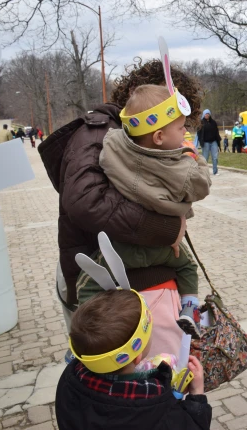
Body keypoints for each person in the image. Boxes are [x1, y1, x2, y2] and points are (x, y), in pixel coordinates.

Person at [39, 59, 204, 357]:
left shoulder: (130, 137)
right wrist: (166, 228)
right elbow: (85, 202)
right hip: (93, 276)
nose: (183, 130)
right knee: (102, 366)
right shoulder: (100, 132)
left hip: (125, 277)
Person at [99, 84, 212, 337]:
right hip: (163, 247)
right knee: (187, 267)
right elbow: (202, 186)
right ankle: (190, 310)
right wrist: (194, 155)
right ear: (159, 137)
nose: (185, 132)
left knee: (92, 277)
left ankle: (85, 323)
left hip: (122, 247)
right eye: (181, 128)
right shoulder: (182, 171)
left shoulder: (112, 146)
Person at [56, 289, 211, 429]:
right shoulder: (155, 406)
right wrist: (196, 395)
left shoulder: (69, 380)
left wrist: (172, 395)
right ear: (137, 357)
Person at [196, 109, 221, 175]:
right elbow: (199, 133)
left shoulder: (213, 122)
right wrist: (200, 141)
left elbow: (217, 132)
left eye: (208, 114)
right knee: (205, 157)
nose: (207, 115)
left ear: (209, 114)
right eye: (206, 114)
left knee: (215, 157)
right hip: (205, 142)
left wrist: (218, 140)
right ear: (204, 115)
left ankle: (215, 171)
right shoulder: (201, 123)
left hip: (213, 142)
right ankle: (205, 172)